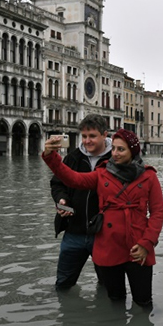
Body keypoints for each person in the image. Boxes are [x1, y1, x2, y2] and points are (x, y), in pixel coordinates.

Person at [43, 129, 163, 307]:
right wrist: (50, 156)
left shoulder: (149, 176)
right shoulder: (102, 174)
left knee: (143, 301)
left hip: (138, 246)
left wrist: (147, 244)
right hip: (109, 246)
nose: (114, 153)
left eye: (121, 149)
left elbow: (157, 213)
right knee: (115, 300)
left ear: (133, 151)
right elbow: (73, 179)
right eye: (113, 148)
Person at [51, 114, 113, 291]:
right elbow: (57, 184)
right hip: (74, 231)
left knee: (108, 285)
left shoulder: (116, 159)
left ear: (104, 135)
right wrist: (61, 201)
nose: (87, 141)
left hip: (104, 234)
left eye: (92, 136)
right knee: (63, 284)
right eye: (84, 136)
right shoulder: (72, 157)